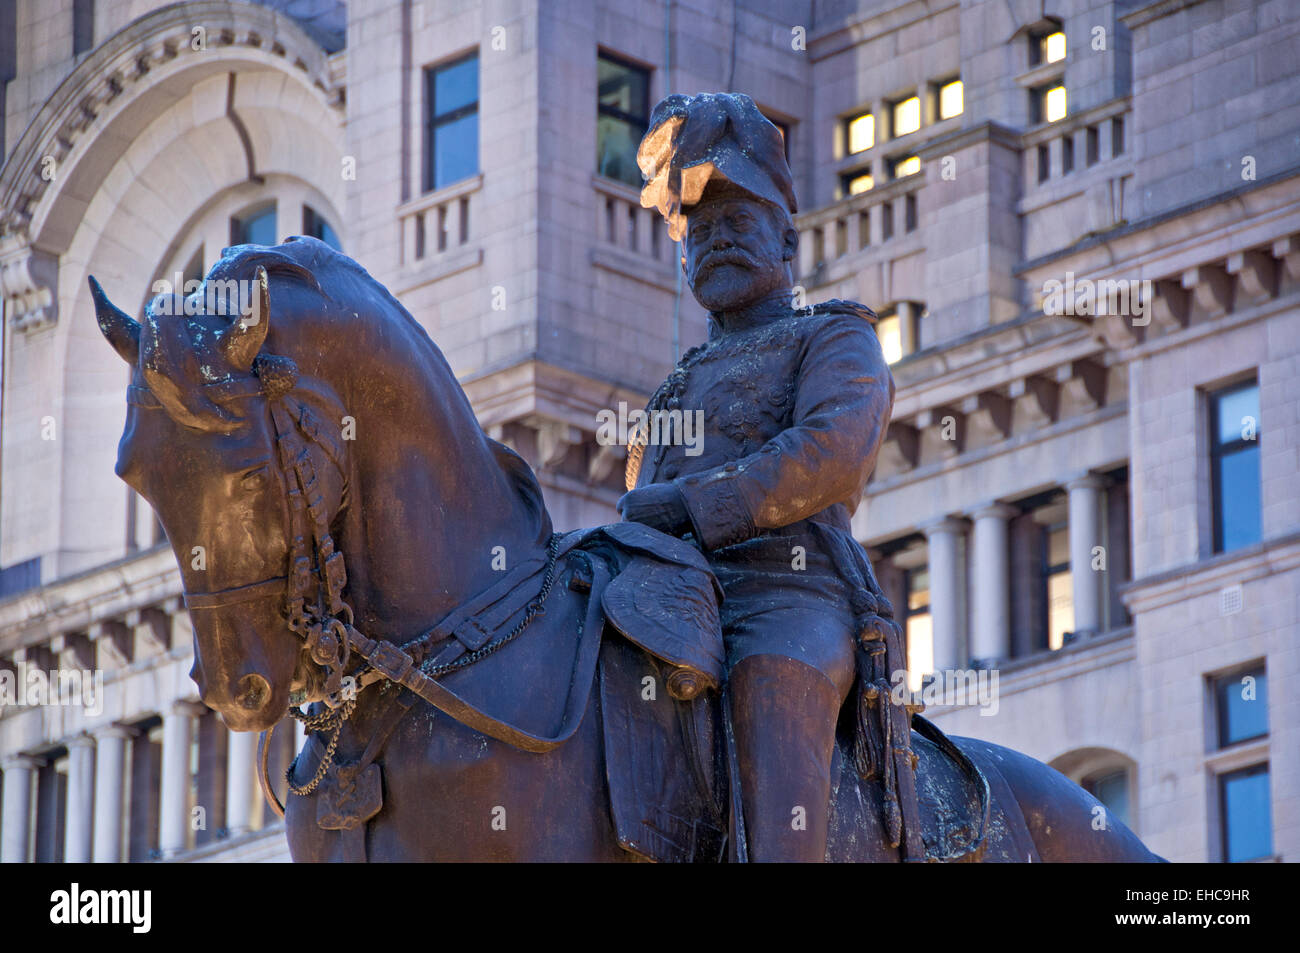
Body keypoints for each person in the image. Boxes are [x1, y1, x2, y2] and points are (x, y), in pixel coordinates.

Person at [617, 92, 902, 862]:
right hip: (674, 598)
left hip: (789, 594)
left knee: (772, 682)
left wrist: (690, 505)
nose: (713, 242)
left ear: (786, 236)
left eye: (736, 222)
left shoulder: (833, 336)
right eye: (698, 232)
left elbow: (830, 450)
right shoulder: (673, 390)